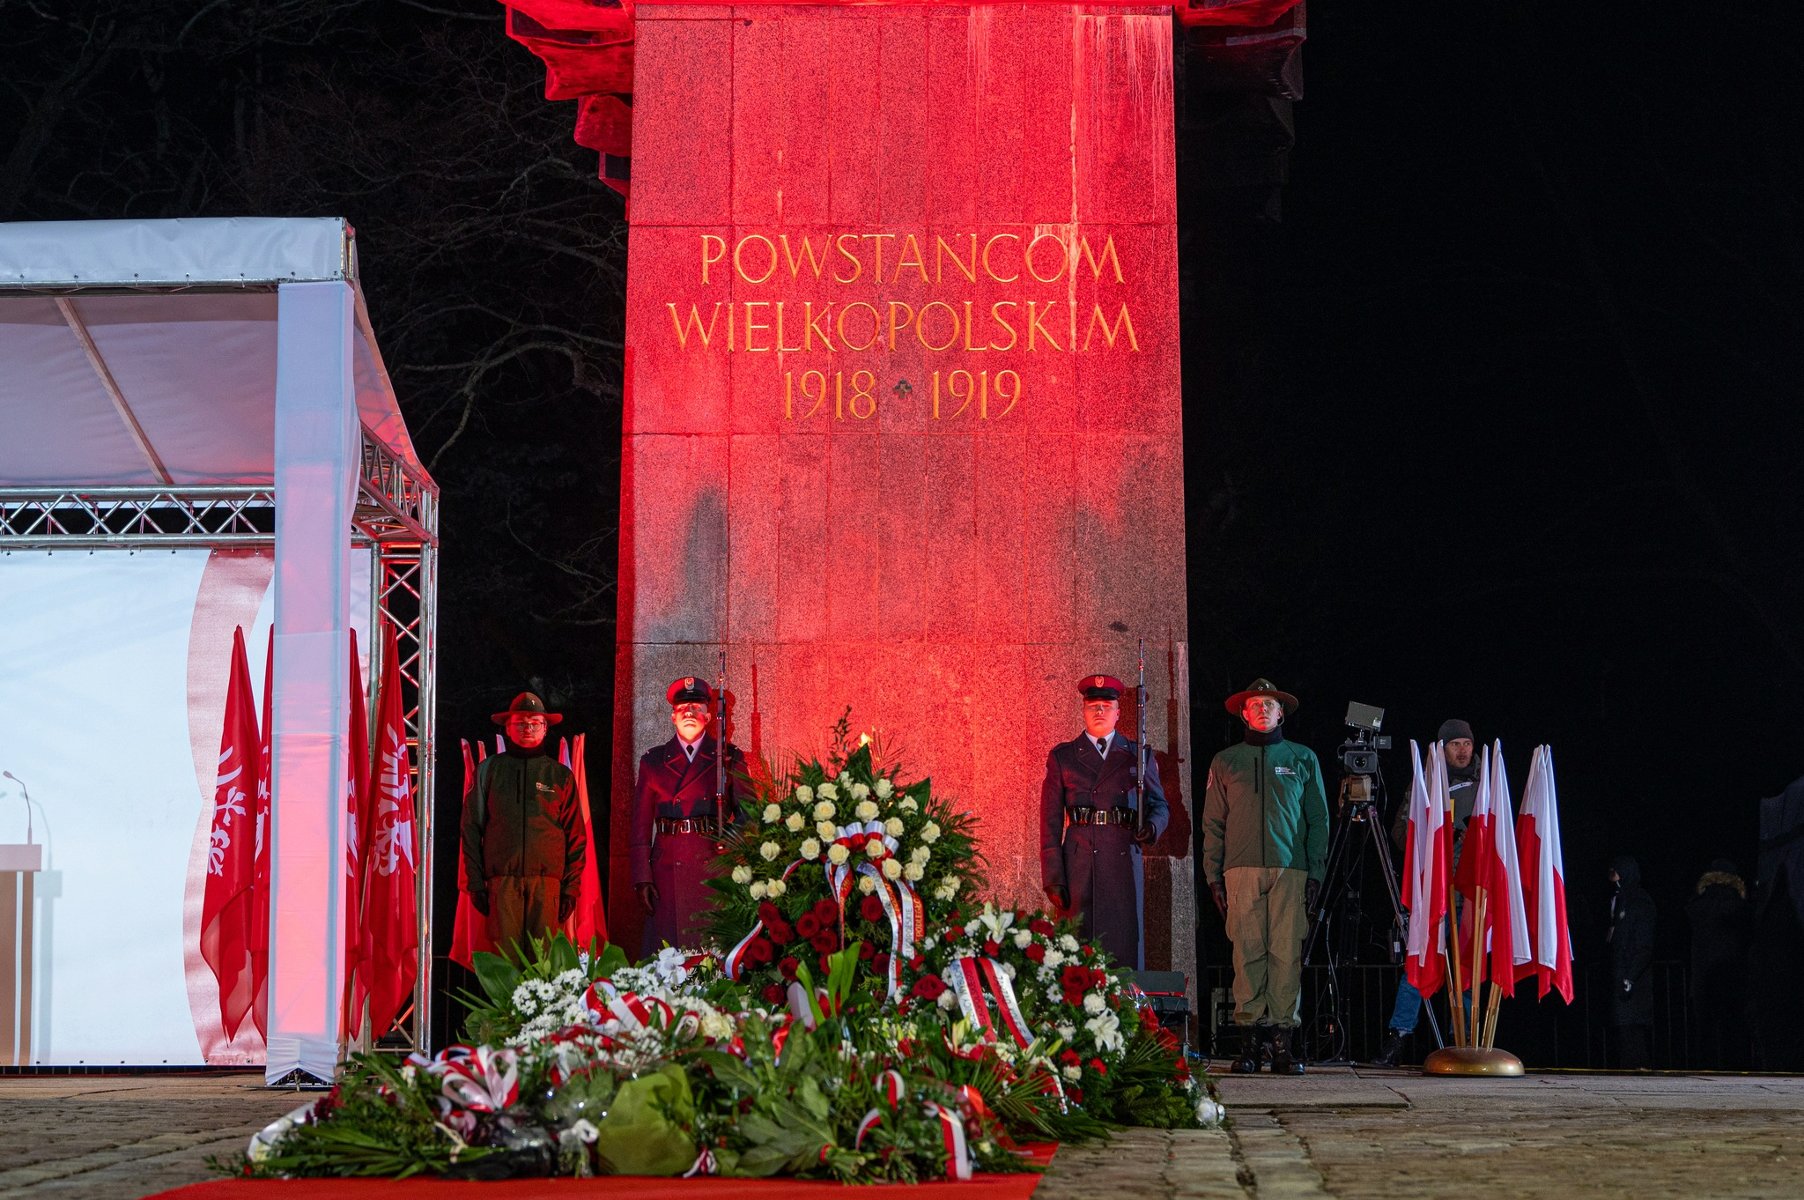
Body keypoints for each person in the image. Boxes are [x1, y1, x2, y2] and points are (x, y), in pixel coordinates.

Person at [1201, 678, 1328, 1074]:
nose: (1261, 710)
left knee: (1286, 955)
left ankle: (1283, 1042)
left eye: (1268, 704)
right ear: (1244, 713)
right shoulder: (1226, 761)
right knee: (1247, 954)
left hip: (1291, 869)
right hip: (1240, 869)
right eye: (1254, 704)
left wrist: (1315, 873)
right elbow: (1213, 823)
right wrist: (1213, 875)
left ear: (1280, 713)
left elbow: (1318, 819)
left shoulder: (1302, 758)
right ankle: (1250, 1044)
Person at [1370, 719, 1481, 1068]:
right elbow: (1401, 832)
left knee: (1465, 972)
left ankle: (1461, 1041)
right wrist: (1431, 836)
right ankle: (1398, 1038)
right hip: (1433, 893)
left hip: (1469, 895)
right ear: (1442, 748)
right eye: (1455, 744)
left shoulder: (1485, 785)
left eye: (1467, 743)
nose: (1463, 750)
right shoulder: (1426, 782)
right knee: (1418, 965)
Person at [1039, 674, 1170, 970]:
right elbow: (1049, 821)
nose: (1099, 711)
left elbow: (1160, 805)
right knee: (1077, 950)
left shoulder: (1138, 755)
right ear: (1084, 711)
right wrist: (1053, 877)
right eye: (1093, 706)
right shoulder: (1064, 757)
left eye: (1106, 705)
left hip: (1122, 857)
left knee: (1123, 947)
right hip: (1079, 864)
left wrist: (1151, 827)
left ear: (1117, 713)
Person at [462, 692, 587, 958]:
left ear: (545, 729)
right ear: (507, 728)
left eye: (534, 723)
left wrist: (570, 889)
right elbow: (471, 828)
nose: (527, 728)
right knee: (504, 967)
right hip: (502, 886)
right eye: (520, 722)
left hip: (547, 887)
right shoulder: (489, 770)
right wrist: (475, 882)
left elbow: (576, 837)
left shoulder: (559, 775)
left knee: (543, 970)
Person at [631, 675, 745, 954]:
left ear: (708, 715)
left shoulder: (728, 758)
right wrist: (642, 877)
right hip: (668, 866)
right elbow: (640, 826)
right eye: (683, 709)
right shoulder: (653, 761)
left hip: (713, 863)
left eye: (696, 708)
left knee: (711, 952)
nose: (690, 714)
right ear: (672, 717)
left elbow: (750, 814)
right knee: (669, 951)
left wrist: (730, 839)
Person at [1687, 857, 1750, 1069]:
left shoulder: (1699, 903)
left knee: (1705, 1028)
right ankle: (1734, 1067)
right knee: (1733, 1025)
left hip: (1703, 976)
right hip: (1731, 973)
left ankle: (1706, 1066)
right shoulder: (1737, 903)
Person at [1608, 854, 1657, 1069]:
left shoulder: (1639, 901)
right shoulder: (1620, 900)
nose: (1612, 878)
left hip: (1633, 978)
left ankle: (1638, 1072)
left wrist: (1631, 975)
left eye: (1615, 872)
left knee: (1633, 1029)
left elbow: (1643, 944)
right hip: (1621, 975)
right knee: (1623, 1029)